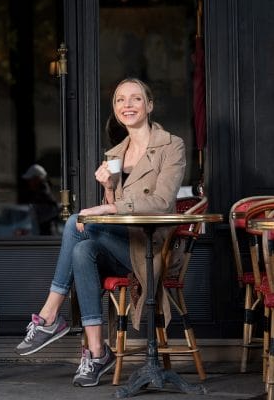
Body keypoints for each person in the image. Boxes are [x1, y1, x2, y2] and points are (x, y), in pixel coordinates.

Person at [15, 78, 186, 387]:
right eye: (120, 100)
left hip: (152, 249)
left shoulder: (170, 145)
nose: (128, 105)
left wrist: (105, 208)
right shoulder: (115, 154)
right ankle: (96, 352)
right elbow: (117, 212)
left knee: (74, 224)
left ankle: (51, 315)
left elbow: (161, 202)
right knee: (82, 248)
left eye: (136, 99)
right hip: (122, 244)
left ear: (149, 105)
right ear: (115, 109)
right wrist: (108, 189)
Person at [21, 163, 61, 235]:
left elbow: (53, 212)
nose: (29, 182)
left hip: (46, 238)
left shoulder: (44, 195)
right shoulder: (41, 194)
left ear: (37, 179)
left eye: (31, 179)